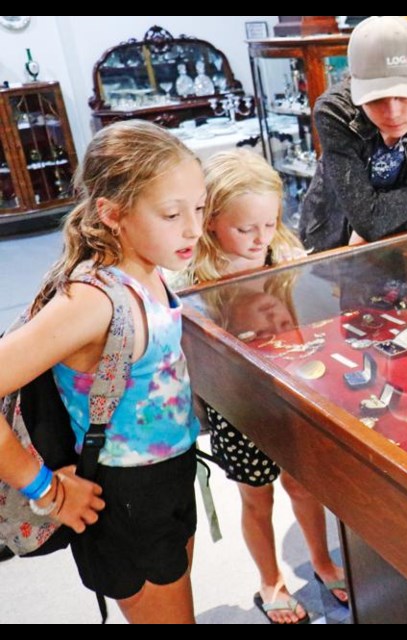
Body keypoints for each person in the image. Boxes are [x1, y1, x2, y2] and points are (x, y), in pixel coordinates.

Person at [0, 120, 205, 623]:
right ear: (112, 214)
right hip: (125, 495)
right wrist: (44, 490)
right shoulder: (92, 301)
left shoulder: (149, 266)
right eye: (171, 213)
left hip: (170, 476)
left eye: (199, 208)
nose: (193, 228)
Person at [188, 149, 348, 623]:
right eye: (245, 229)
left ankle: (321, 561)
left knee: (304, 485)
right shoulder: (197, 278)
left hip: (289, 392)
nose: (260, 239)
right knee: (255, 496)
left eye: (269, 224)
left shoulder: (286, 256)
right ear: (212, 221)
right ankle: (270, 579)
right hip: (237, 405)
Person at [298, 15, 407, 253]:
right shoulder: (334, 111)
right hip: (333, 240)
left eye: (405, 95)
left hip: (403, 241)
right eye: (376, 99)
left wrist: (378, 226)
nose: (393, 113)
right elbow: (368, 221)